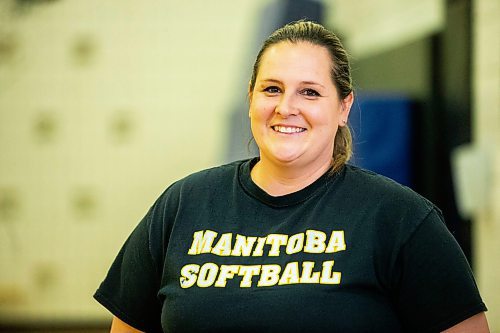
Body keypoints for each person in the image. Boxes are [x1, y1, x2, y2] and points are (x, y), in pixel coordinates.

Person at [94, 20, 489, 333]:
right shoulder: (182, 204)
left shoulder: (401, 219)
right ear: (251, 97)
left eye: (310, 93)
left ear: (343, 106)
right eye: (272, 89)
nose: (286, 107)